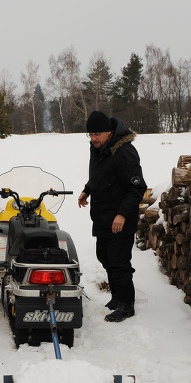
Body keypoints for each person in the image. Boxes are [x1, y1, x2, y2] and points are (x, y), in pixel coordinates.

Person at [77, 110, 147, 322]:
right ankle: (117, 297)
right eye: (90, 134)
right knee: (105, 257)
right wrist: (87, 190)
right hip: (102, 215)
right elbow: (100, 174)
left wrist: (122, 215)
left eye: (97, 134)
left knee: (119, 263)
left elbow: (137, 188)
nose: (93, 138)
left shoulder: (125, 152)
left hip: (119, 219)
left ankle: (127, 306)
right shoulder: (98, 148)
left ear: (109, 132)